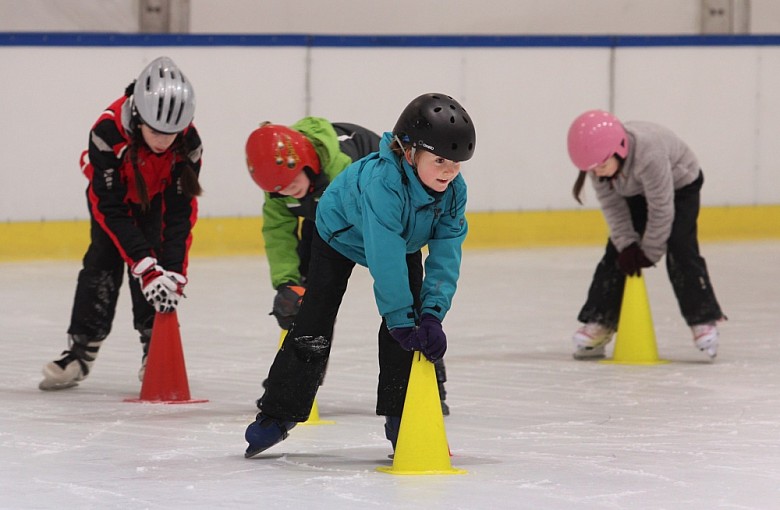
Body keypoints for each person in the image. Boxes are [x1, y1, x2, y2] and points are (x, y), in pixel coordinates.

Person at [244, 92, 476, 458]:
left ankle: (401, 415)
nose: (449, 171)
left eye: (457, 163)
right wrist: (399, 319)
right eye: (440, 160)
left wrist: (432, 313)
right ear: (410, 151)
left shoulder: (453, 192)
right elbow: (384, 257)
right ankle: (279, 412)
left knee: (415, 323)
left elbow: (447, 252)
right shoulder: (384, 185)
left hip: (401, 241)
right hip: (337, 233)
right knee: (315, 318)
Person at [39, 56, 203, 390]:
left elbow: (180, 213)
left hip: (154, 198)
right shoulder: (107, 131)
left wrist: (173, 273)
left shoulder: (189, 143)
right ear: (139, 116)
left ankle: (154, 350)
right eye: (156, 131)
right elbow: (109, 208)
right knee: (102, 260)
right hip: (110, 199)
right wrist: (145, 267)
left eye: (172, 133)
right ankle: (80, 352)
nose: (164, 141)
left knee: (160, 270)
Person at [566, 109, 725, 361]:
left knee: (680, 244)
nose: (597, 173)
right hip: (637, 188)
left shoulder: (648, 153)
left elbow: (661, 207)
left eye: (602, 166)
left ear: (619, 149)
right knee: (616, 252)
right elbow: (614, 211)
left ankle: (703, 318)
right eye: (591, 170)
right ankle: (600, 322)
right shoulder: (600, 165)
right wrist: (627, 245)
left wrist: (649, 252)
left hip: (680, 185)